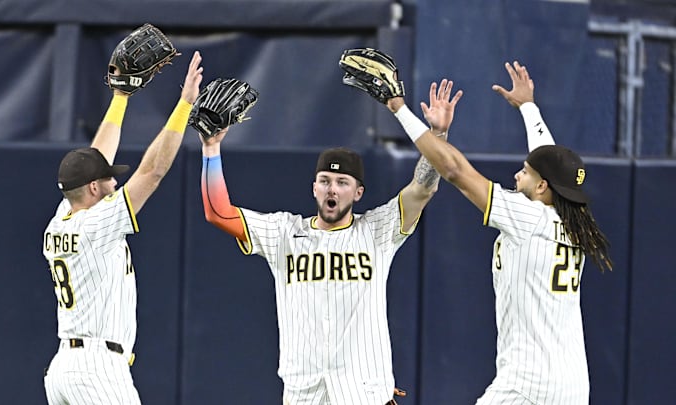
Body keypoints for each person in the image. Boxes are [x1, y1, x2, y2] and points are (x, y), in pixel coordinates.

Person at [196, 84, 459, 404]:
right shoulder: (283, 232)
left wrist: (437, 135)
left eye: (342, 182)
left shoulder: (378, 230)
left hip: (364, 393)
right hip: (304, 393)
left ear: (358, 192)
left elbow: (423, 188)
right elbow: (218, 213)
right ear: (314, 188)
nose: (332, 188)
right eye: (325, 181)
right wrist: (210, 149)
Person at [386, 62, 612, 405]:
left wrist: (399, 109)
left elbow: (453, 169)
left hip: (528, 385)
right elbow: (548, 159)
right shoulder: (573, 217)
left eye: (525, 171)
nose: (517, 173)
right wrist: (527, 106)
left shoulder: (528, 217)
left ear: (542, 186)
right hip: (573, 386)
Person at [42, 50, 204, 404]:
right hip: (98, 370)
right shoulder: (97, 224)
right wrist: (184, 106)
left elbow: (96, 156)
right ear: (94, 188)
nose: (115, 183)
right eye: (109, 180)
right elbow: (153, 172)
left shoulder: (62, 216)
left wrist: (120, 97)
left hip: (63, 368)